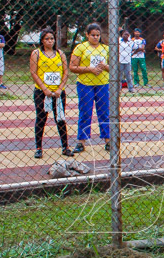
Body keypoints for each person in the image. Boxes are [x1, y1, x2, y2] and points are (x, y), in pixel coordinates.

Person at [28, 29, 73, 159]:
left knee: (60, 118)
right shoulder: (36, 53)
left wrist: (60, 88)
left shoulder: (60, 54)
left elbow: (65, 72)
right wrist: (44, 89)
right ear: (42, 40)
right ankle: (38, 147)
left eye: (52, 38)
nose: (50, 41)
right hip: (42, 92)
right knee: (41, 118)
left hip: (58, 92)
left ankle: (65, 147)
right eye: (47, 39)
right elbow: (33, 72)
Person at [70, 23, 111, 153]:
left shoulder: (106, 48)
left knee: (104, 112)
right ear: (87, 35)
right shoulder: (81, 48)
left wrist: (105, 67)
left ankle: (108, 140)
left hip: (103, 83)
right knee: (85, 112)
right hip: (85, 84)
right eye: (93, 35)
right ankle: (81, 141)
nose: (95, 37)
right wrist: (90, 69)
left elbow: (114, 68)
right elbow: (73, 67)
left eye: (98, 35)